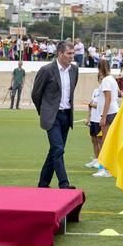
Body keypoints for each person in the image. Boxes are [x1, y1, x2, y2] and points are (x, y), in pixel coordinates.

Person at [32, 41, 79, 189]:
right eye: (69, 54)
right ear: (59, 53)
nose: (72, 56)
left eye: (73, 53)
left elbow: (71, 91)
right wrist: (44, 112)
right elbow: (36, 94)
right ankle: (64, 183)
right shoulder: (47, 70)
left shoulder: (74, 70)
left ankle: (43, 184)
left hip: (66, 115)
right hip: (52, 117)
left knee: (54, 150)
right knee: (58, 149)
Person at [91, 60, 119, 177]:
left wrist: (103, 116)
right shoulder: (112, 79)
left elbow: (108, 98)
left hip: (109, 113)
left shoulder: (106, 81)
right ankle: (109, 167)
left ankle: (105, 169)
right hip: (113, 112)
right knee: (108, 141)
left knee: (105, 142)